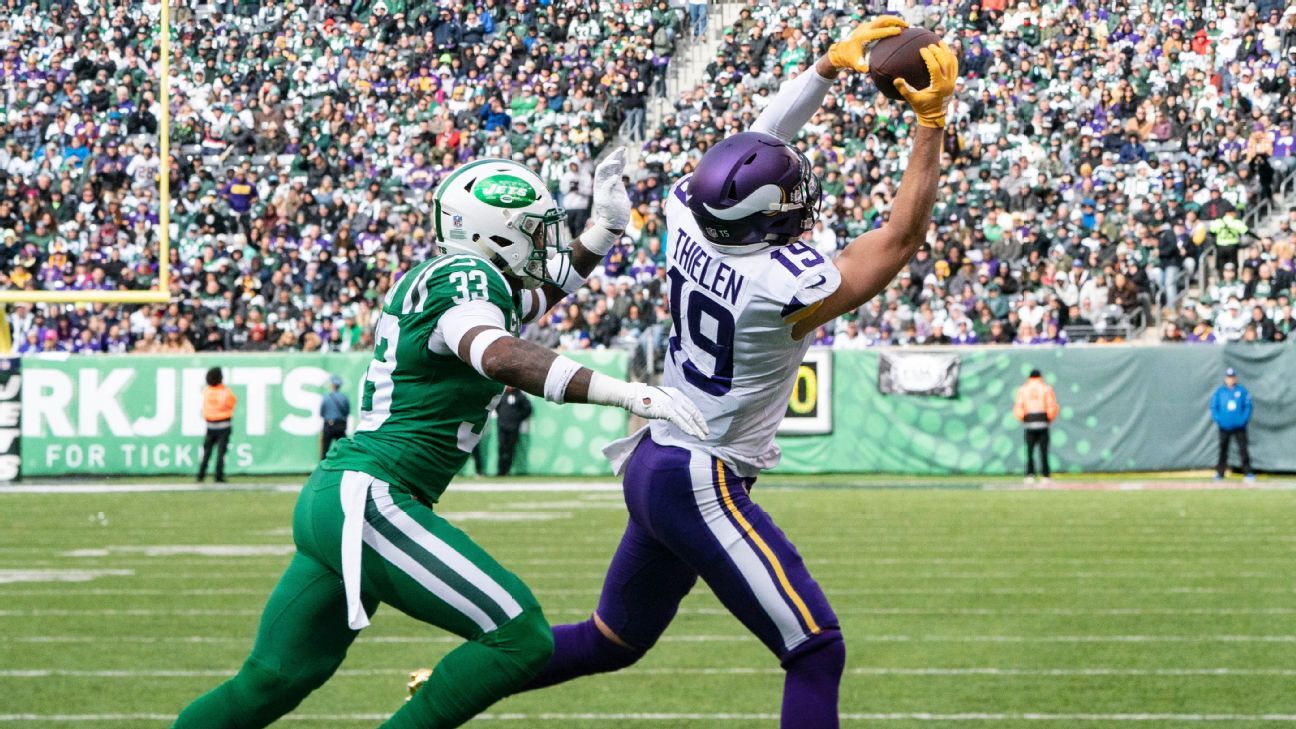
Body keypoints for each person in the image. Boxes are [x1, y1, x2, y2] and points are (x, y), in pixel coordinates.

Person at [502, 18, 956, 727]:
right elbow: (897, 240)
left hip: (655, 458)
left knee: (611, 638)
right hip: (698, 473)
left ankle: (455, 683)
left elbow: (756, 140)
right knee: (815, 648)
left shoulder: (687, 213)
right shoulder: (781, 288)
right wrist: (930, 125)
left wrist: (824, 71)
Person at [172, 151, 707, 728]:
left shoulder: (464, 278)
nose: (544, 244)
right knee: (520, 636)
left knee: (271, 680)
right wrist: (626, 393)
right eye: (532, 231)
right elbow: (499, 354)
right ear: (490, 234)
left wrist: (603, 231)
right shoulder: (466, 278)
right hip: (374, 496)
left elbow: (537, 298)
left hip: (342, 496)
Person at [1013, 369, 1059, 484]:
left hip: (1029, 423)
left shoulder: (1023, 389)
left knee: (1029, 451)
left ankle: (1030, 475)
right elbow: (1052, 405)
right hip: (1043, 422)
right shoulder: (1046, 388)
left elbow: (1019, 406)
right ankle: (1045, 475)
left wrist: (1023, 418)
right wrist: (1048, 418)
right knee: (1043, 451)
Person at [1210, 367, 1254, 481]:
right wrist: (1219, 420)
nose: (1230, 379)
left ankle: (1248, 472)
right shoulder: (1220, 392)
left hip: (1239, 426)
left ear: (1235, 378)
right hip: (1224, 426)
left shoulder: (1241, 391)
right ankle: (1220, 473)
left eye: (1232, 377)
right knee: (1223, 450)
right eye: (1228, 377)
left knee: (1243, 449)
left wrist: (1243, 420)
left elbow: (1248, 406)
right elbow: (1214, 407)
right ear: (1225, 378)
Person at [197, 367, 237, 483]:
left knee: (207, 452)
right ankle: (218, 475)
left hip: (210, 425)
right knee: (221, 453)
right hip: (224, 425)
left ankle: (201, 474)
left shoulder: (207, 391)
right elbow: (232, 403)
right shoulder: (225, 392)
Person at [495, 386, 532, 476]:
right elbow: (497, 407)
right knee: (502, 448)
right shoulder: (502, 396)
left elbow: (528, 409)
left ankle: (507, 470)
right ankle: (501, 471)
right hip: (502, 426)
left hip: (514, 427)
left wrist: (518, 418)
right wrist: (501, 418)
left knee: (510, 449)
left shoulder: (520, 396)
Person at [319, 375, 351, 459]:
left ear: (331, 385)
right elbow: (347, 412)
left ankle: (323, 468)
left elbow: (322, 413)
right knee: (343, 449)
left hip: (328, 425)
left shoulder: (326, 397)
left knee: (325, 449)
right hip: (340, 425)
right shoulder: (344, 397)